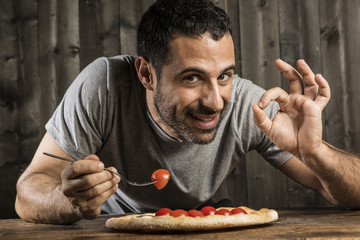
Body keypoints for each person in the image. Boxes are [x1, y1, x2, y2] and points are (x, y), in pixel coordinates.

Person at [15, 0, 360, 224]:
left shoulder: (249, 105)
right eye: (192, 77)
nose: (216, 100)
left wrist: (314, 152)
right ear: (146, 74)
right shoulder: (104, 85)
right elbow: (28, 192)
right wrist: (67, 200)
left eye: (224, 75)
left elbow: (347, 195)